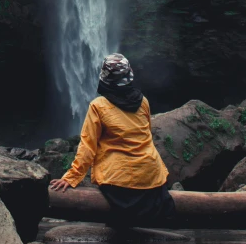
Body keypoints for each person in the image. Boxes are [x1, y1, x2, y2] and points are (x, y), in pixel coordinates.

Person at [50, 54, 175, 229]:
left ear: (105, 78)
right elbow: (146, 137)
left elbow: (87, 146)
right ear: (129, 75)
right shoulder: (143, 102)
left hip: (119, 182)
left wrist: (71, 177)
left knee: (119, 230)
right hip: (151, 178)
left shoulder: (98, 106)